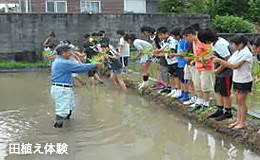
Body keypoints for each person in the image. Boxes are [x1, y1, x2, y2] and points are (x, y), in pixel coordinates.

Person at [51, 45, 101, 128]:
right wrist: (94, 65)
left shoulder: (60, 60)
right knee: (62, 111)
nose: (71, 53)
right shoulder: (63, 62)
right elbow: (79, 67)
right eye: (69, 51)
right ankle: (59, 131)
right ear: (63, 53)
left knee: (70, 107)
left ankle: (67, 125)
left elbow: (77, 66)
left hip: (63, 88)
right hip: (61, 89)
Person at [212, 34, 253, 129]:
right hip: (237, 79)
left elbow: (234, 65)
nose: (233, 46)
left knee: (241, 102)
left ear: (241, 44)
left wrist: (219, 60)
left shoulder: (246, 53)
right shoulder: (238, 52)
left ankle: (242, 123)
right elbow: (229, 61)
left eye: (235, 44)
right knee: (238, 102)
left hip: (244, 80)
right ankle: (238, 121)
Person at [183, 27, 215, 113]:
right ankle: (200, 101)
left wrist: (202, 59)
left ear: (189, 35)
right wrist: (194, 60)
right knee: (197, 85)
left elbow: (210, 54)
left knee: (205, 86)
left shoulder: (203, 41)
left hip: (206, 67)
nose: (186, 40)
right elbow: (197, 55)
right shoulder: (193, 42)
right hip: (197, 66)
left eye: (186, 38)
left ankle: (206, 103)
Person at [207, 32, 233, 121]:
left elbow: (228, 59)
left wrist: (218, 70)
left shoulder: (220, 44)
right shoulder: (216, 43)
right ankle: (220, 109)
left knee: (225, 92)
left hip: (226, 72)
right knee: (218, 90)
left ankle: (228, 111)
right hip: (219, 71)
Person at [170, 27, 190, 101]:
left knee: (184, 80)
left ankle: (186, 94)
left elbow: (184, 53)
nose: (173, 37)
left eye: (174, 36)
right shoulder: (179, 42)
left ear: (178, 35)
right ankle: (182, 93)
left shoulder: (184, 42)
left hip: (183, 63)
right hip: (179, 63)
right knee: (181, 79)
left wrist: (175, 55)